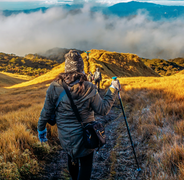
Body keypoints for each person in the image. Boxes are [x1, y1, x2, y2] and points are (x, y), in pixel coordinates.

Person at [37, 50, 121, 180]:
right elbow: (103, 110)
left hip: (65, 137)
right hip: (86, 136)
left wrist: (41, 130)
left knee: (72, 157)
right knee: (86, 165)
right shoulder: (89, 87)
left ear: (66, 68)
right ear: (81, 68)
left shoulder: (54, 87)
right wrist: (113, 89)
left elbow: (45, 112)